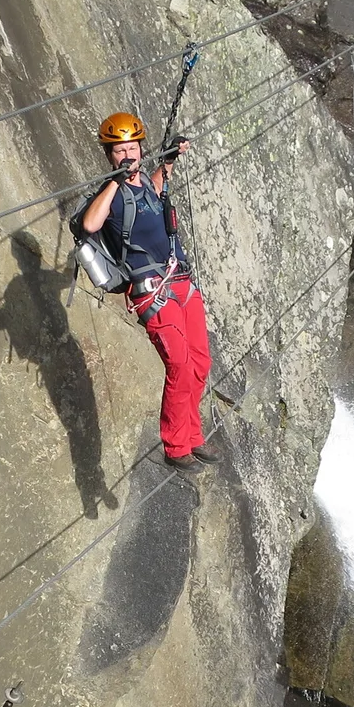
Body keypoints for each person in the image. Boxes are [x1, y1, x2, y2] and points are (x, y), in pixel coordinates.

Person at [78, 112, 219, 474]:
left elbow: (155, 190)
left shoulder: (146, 186)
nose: (127, 156)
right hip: (151, 292)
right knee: (179, 363)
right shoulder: (110, 196)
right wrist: (115, 180)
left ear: (141, 148)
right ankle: (175, 446)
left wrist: (169, 158)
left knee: (200, 363)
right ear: (109, 156)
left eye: (132, 149)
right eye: (119, 151)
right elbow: (90, 224)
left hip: (181, 284)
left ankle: (192, 437)